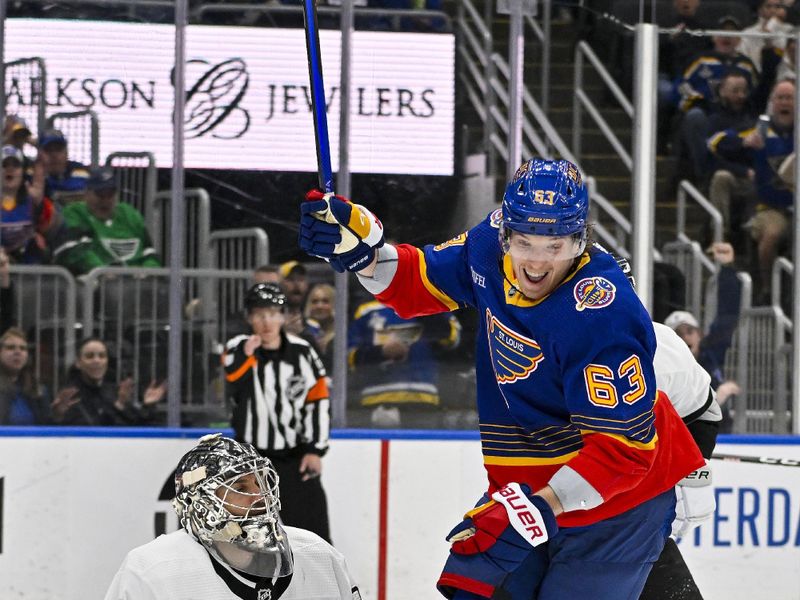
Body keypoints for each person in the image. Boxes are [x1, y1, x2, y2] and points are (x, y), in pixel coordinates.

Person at [299, 158, 704, 599]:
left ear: (579, 242)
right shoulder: (488, 245)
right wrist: (365, 254)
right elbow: (419, 282)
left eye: (555, 247)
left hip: (619, 504)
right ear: (505, 232)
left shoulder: (602, 314)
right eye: (524, 242)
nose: (535, 262)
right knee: (471, 591)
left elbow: (621, 454)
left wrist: (536, 509)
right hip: (527, 483)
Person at [104, 433, 361, 600]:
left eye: (261, 482)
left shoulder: (319, 556)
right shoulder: (151, 570)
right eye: (240, 489)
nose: (261, 496)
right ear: (202, 505)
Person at [222, 282, 332, 543]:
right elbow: (233, 376)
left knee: (313, 537)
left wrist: (315, 449)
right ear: (249, 317)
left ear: (283, 316)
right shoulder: (238, 346)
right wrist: (248, 355)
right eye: (259, 314)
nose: (266, 321)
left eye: (272, 313)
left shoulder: (302, 352)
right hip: (250, 461)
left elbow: (317, 400)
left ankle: (320, 583)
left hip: (294, 458)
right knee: (248, 539)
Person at [348, 298, 461, 428]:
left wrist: (425, 301)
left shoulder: (433, 303)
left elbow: (452, 340)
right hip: (376, 399)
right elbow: (349, 357)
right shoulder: (366, 310)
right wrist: (382, 352)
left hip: (423, 398)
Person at [52, 166, 161, 276]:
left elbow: (149, 252)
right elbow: (77, 252)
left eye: (110, 194)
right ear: (87, 194)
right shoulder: (75, 213)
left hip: (138, 285)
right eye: (100, 194)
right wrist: (103, 272)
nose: (105, 200)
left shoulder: (130, 214)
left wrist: (148, 273)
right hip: (97, 285)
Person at [51, 336, 166, 426]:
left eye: (102, 356)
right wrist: (58, 416)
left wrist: (148, 405)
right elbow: (93, 430)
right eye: (90, 356)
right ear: (78, 363)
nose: (96, 360)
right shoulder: (70, 396)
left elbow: (136, 425)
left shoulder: (115, 392)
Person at [1, 145, 57, 263]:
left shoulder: (32, 200)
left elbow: (52, 230)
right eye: (5, 165)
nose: (10, 169)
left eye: (15, 165)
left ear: (22, 171)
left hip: (30, 272)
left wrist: (40, 205)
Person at [0, 327, 52, 425]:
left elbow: (46, 429)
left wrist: (57, 415)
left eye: (23, 348)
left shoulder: (38, 390)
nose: (17, 352)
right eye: (10, 347)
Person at [38, 129, 89, 203]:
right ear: (39, 155)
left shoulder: (82, 172)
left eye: (58, 150)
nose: (54, 155)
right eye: (48, 150)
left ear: (66, 153)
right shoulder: (31, 178)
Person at [305, 282, 336, 372]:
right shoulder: (302, 332)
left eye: (325, 301)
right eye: (314, 301)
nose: (319, 306)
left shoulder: (342, 334)